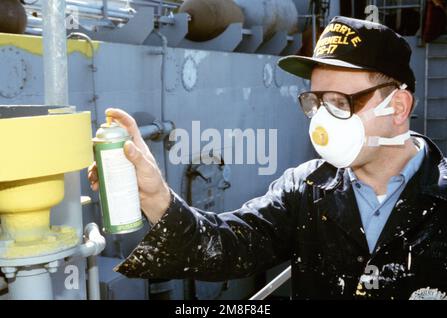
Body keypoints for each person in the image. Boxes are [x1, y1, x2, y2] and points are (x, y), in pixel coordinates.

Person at [88, 16, 447, 300]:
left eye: (340, 102)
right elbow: (223, 247)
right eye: (317, 102)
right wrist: (156, 197)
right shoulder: (305, 188)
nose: (322, 121)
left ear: (398, 107)